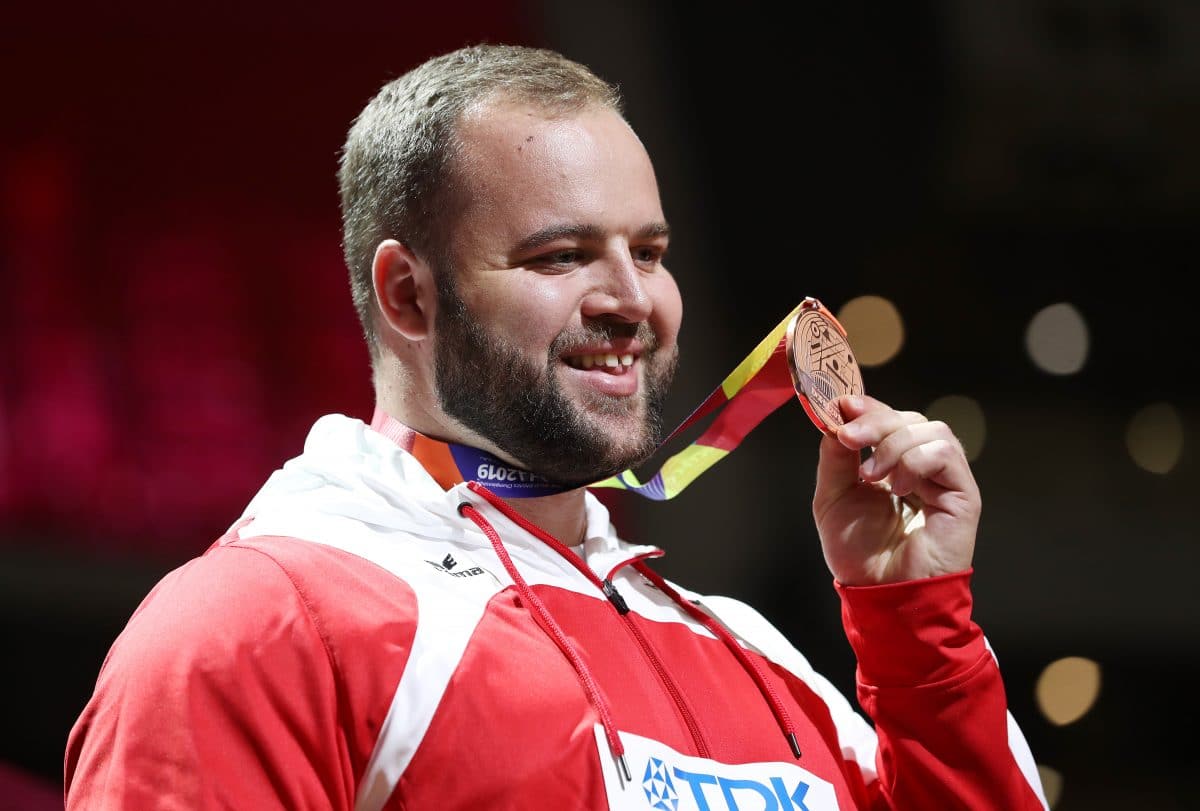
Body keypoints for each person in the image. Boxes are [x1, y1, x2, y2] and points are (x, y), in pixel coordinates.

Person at [64, 43, 1049, 810]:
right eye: (561, 254)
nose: (633, 300)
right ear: (409, 294)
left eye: (650, 251)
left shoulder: (756, 658)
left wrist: (913, 619)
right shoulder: (264, 627)